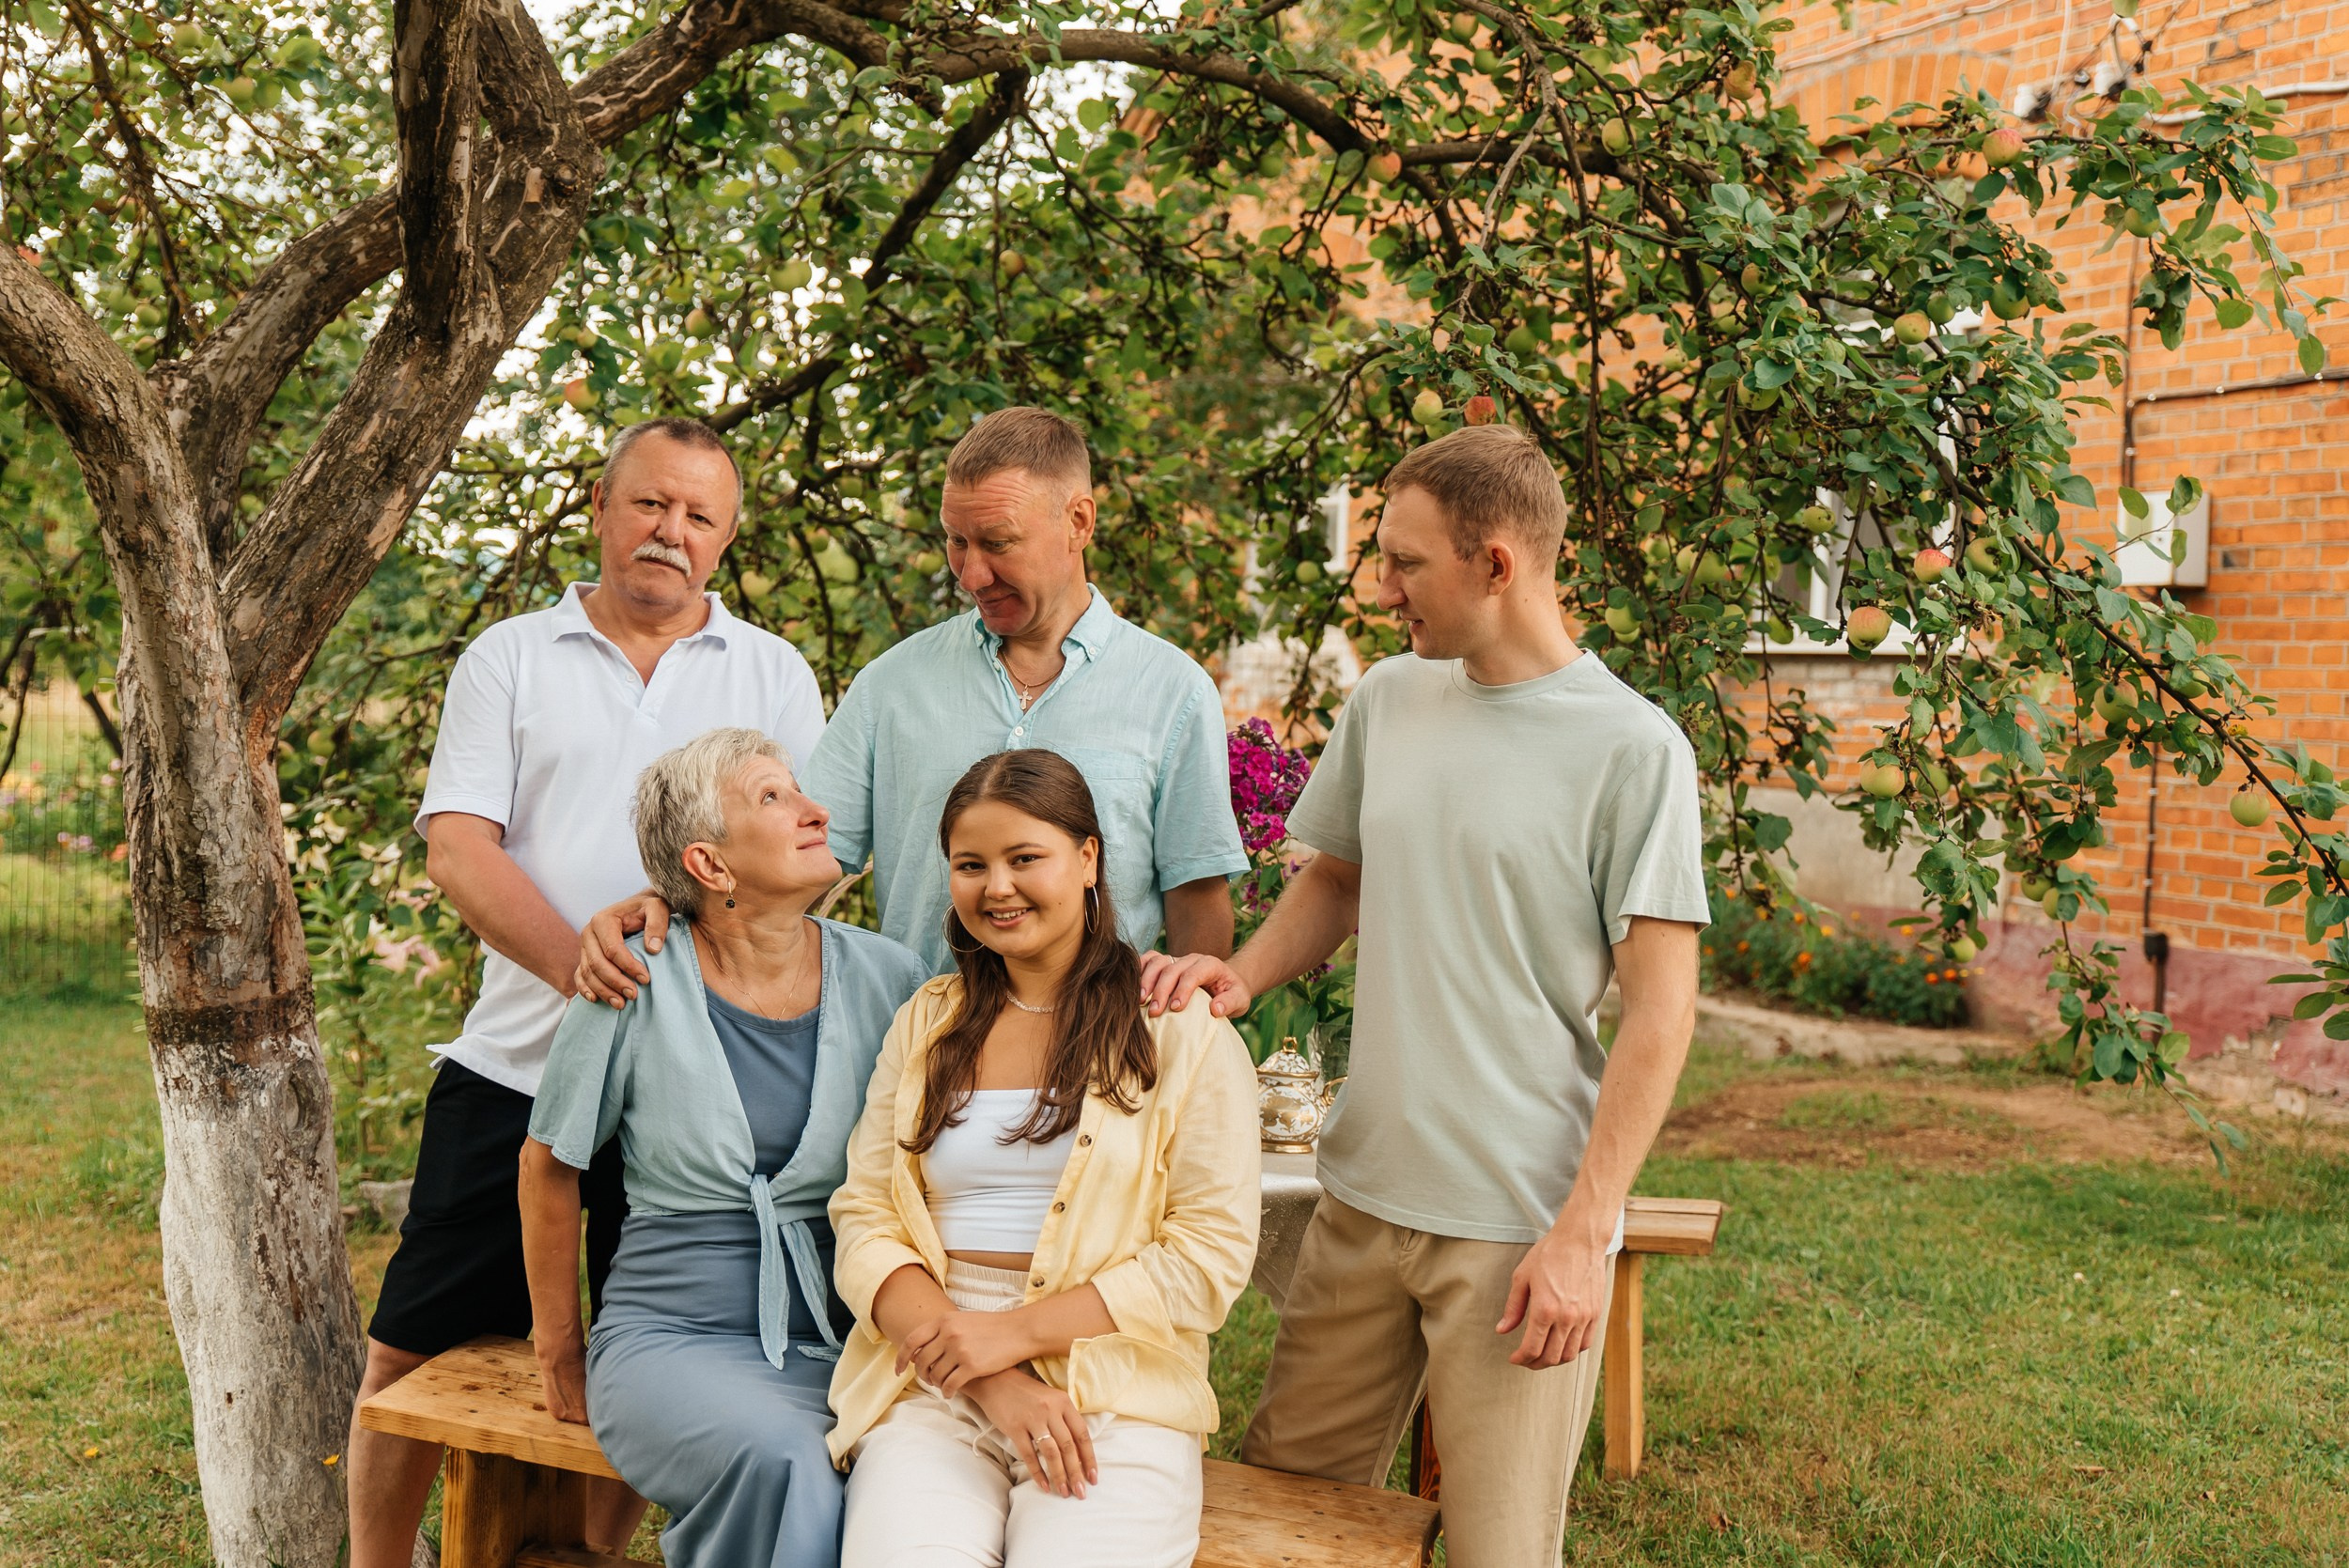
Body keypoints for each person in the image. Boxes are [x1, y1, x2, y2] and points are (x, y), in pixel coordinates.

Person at [1142, 424, 1710, 1568]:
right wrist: (1239, 975)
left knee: (1502, 1552)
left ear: (1495, 563)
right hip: (1357, 1204)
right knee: (1279, 1530)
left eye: (1404, 562)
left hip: (1514, 1231)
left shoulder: (1632, 749)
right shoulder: (1391, 700)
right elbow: (1339, 879)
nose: (1382, 587)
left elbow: (1660, 1010)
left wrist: (1582, 1235)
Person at [349, 418, 827, 1567]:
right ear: (601, 507)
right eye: (651, 504)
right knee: (411, 1344)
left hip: (687, 1099)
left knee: (635, 1352)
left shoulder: (774, 673)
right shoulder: (510, 655)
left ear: (725, 539)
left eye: (700, 516)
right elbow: (459, 851)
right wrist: (588, 967)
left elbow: (798, 862)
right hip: (513, 1062)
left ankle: (583, 1558)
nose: (672, 532)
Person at [572, 405, 1248, 998]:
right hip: (922, 1059)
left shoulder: (1173, 690)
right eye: (956, 541)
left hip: (1100, 1067)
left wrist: (1187, 1041)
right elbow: (792, 859)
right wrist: (661, 905)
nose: (971, 572)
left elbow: (1196, 902)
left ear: (1078, 522)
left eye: (998, 543)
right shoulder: (892, 685)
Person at [826, 750, 1260, 1568]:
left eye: (1026, 858)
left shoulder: (1177, 1028)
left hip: (1116, 1395)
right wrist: (984, 1370)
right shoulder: (928, 1022)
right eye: (971, 864)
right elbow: (865, 1214)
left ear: (1089, 857)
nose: (998, 887)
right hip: (937, 1379)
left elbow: (1207, 1256)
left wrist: (1015, 1335)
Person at [521, 729, 926, 1568]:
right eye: (773, 797)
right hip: (673, 1334)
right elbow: (549, 1165)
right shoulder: (632, 978)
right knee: (789, 1463)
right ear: (710, 865)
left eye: (800, 791)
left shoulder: (894, 977)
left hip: (856, 1332)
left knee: (916, 1482)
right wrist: (560, 1343)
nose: (815, 809)